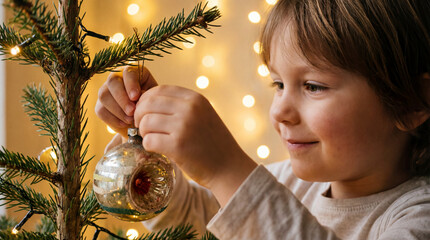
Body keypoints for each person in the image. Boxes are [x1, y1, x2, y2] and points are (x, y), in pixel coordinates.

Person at [95, 0, 430, 239]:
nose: (279, 111)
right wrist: (150, 148)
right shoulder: (290, 183)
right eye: (278, 84)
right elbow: (199, 222)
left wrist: (228, 169)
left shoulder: (418, 219)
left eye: (313, 86)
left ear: (412, 103)